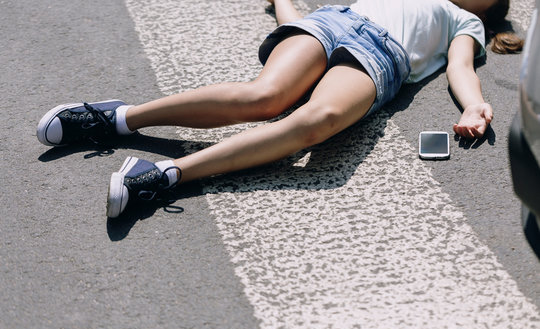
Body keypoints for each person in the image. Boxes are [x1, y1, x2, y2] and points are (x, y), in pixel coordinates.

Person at [36, 0, 523, 218]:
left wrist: (476, 104)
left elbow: (461, 67)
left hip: (382, 58)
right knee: (264, 96)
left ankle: (166, 174)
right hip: (335, 23)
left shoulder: (466, 22)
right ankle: (116, 118)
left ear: (490, 8)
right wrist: (283, 4)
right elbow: (310, 19)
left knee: (315, 125)